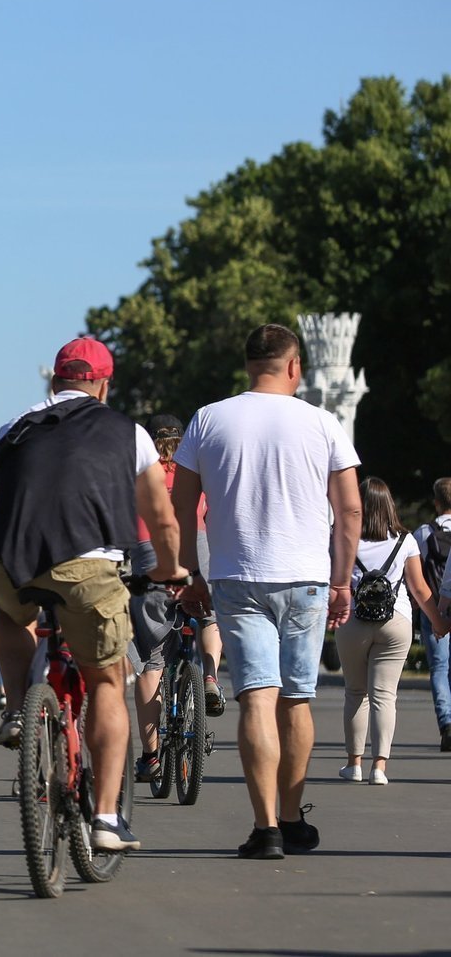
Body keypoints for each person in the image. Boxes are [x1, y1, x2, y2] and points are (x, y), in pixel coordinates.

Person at [0, 336, 186, 854]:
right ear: (102, 383)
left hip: (7, 557)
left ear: (53, 379)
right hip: (89, 563)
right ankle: (107, 819)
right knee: (108, 679)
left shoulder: (13, 427)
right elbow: (161, 516)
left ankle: (17, 708)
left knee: (10, 613)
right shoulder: (128, 433)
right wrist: (169, 569)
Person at [172, 323, 362, 859]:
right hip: (305, 576)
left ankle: (265, 831)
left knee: (256, 697)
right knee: (297, 699)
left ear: (248, 365)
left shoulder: (209, 419)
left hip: (236, 575)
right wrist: (343, 579)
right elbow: (349, 509)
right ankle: (291, 815)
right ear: (295, 367)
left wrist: (191, 572)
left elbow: (182, 505)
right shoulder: (323, 423)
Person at [129, 414, 227, 783]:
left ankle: (151, 756)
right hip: (197, 546)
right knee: (209, 617)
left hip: (149, 553)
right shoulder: (196, 468)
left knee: (152, 661)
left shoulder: (138, 473)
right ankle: (211, 679)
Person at [338, 478, 450, 783]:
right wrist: (439, 623)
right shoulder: (406, 540)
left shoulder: (344, 537)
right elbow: (419, 588)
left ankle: (354, 763)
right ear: (390, 505)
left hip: (353, 622)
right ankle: (379, 768)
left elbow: (332, 583)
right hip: (396, 621)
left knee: (355, 693)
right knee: (385, 696)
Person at [410, 478, 451, 752]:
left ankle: (447, 724)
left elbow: (415, 574)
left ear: (436, 502)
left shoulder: (424, 533)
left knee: (439, 667)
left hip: (433, 606)